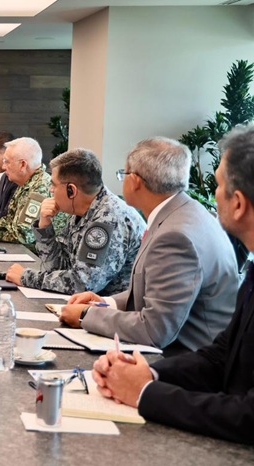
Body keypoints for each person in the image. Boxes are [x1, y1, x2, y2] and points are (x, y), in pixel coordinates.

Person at [90, 125, 254, 444]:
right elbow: (221, 355)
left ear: (238, 203)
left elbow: (248, 416)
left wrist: (145, 393)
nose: (212, 195)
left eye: (219, 185)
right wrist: (149, 374)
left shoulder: (179, 230)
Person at [62, 138, 238, 352]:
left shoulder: (175, 237)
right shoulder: (184, 213)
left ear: (135, 181)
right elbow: (158, 295)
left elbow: (155, 330)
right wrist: (105, 303)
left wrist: (86, 315)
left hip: (186, 359)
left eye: (123, 174)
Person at [5, 148, 146, 295]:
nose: (51, 190)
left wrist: (26, 277)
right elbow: (58, 267)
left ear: (71, 190)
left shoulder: (108, 219)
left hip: (114, 306)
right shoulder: (80, 211)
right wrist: (45, 226)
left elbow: (83, 284)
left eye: (54, 185)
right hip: (88, 303)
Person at [0, 137, 57, 249]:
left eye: (7, 162)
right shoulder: (26, 182)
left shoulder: (40, 187)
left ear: (22, 165)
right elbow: (9, 219)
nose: (4, 167)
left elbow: (23, 235)